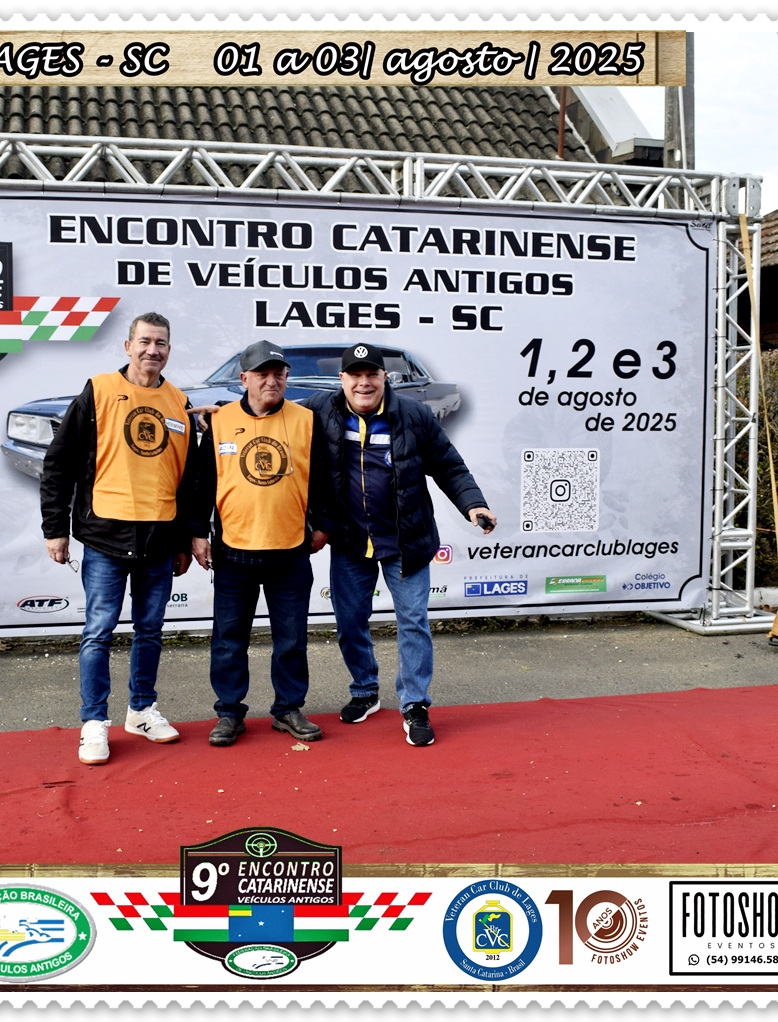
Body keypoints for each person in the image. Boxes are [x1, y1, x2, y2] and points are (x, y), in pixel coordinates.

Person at [304, 344, 496, 747]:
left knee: (412, 622)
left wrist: (473, 504)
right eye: (355, 375)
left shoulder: (414, 415)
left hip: (405, 541)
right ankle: (365, 690)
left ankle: (415, 704)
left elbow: (448, 465)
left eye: (371, 374)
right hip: (350, 541)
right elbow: (271, 418)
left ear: (384, 378)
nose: (364, 383)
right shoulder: (320, 410)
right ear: (342, 380)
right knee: (350, 623)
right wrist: (222, 415)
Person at [39, 312, 195, 765]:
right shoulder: (99, 391)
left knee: (150, 631)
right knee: (98, 632)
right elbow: (59, 463)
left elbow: (187, 480)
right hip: (105, 537)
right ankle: (93, 722)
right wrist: (55, 528)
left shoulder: (180, 402)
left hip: (159, 541)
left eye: (160, 343)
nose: (152, 350)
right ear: (128, 347)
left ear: (169, 350)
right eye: (144, 341)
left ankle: (141, 710)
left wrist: (183, 540)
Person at [189, 341, 333, 747]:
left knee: (291, 639)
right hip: (234, 552)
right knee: (228, 639)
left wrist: (323, 525)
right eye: (262, 374)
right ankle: (229, 713)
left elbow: (323, 478)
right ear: (244, 379)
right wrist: (198, 532)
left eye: (278, 374)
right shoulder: (220, 421)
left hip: (290, 552)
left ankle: (288, 709)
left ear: (286, 378)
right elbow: (203, 482)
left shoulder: (305, 420)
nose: (271, 381)